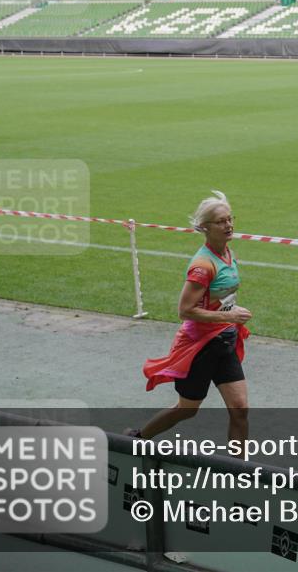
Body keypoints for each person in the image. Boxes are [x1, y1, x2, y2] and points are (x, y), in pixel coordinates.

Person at [127, 191, 253, 453]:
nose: (229, 225)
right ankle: (138, 438)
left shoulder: (228, 253)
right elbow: (185, 310)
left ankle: (239, 472)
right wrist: (229, 316)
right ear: (205, 227)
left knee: (240, 409)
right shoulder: (202, 265)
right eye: (221, 221)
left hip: (224, 341)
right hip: (200, 347)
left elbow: (219, 296)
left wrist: (229, 311)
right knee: (187, 410)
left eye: (230, 219)